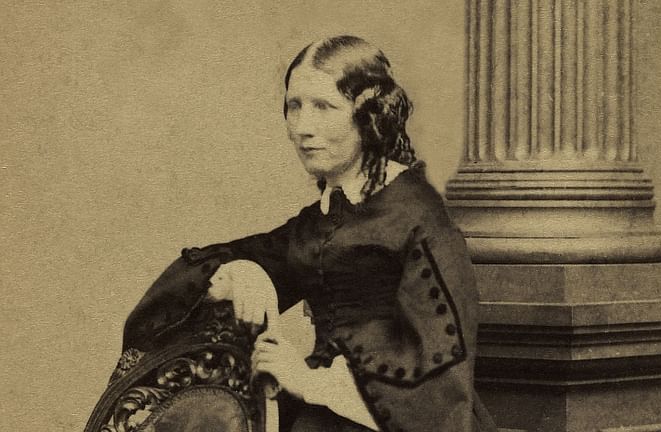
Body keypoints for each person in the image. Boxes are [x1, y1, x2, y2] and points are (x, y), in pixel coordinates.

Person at [102, 35, 496, 432]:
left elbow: (440, 369)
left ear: (369, 115)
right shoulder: (322, 218)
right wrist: (245, 271)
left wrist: (310, 382)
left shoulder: (417, 214)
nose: (303, 127)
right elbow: (252, 257)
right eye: (295, 106)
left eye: (324, 106)